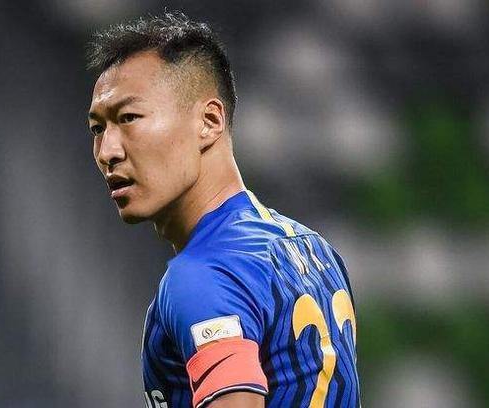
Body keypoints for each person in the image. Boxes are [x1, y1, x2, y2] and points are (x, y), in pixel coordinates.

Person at [86, 12, 359, 408]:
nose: (108, 151)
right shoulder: (314, 250)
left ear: (210, 121)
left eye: (129, 118)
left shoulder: (202, 275)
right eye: (98, 128)